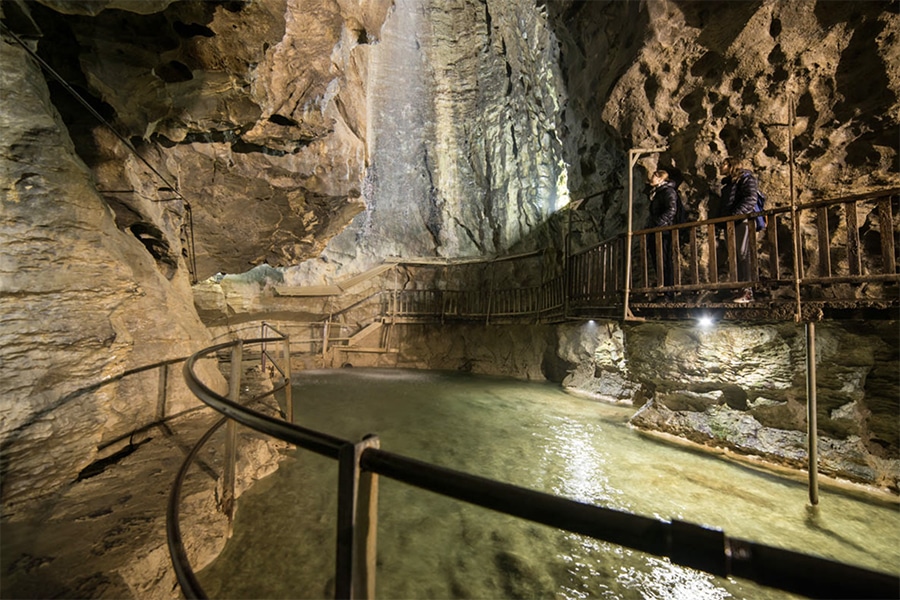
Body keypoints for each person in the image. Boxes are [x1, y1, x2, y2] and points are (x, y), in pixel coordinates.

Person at [719, 156, 759, 303]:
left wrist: (735, 216)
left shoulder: (746, 178)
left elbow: (750, 198)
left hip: (741, 222)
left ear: (731, 165)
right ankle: (739, 289)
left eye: (723, 164)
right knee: (736, 256)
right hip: (731, 223)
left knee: (743, 254)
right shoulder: (729, 184)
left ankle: (747, 292)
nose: (720, 167)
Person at [646, 170, 678, 292]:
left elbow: (671, 209)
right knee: (658, 260)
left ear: (660, 179)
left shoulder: (667, 191)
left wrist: (658, 224)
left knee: (664, 260)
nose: (651, 178)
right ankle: (663, 288)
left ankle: (668, 291)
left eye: (654, 176)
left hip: (664, 232)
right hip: (658, 231)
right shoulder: (658, 193)